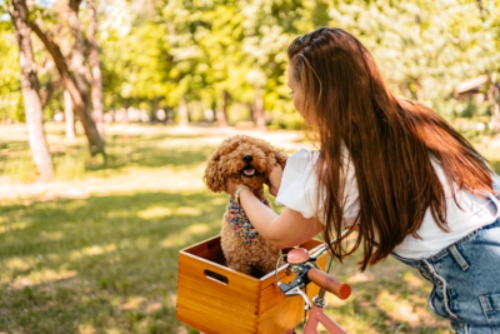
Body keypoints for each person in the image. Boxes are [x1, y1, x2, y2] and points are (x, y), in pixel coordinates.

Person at [225, 27, 500, 333]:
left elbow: (280, 235)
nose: (294, 100)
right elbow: (376, 201)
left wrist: (241, 193)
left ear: (318, 92)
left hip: (478, 270)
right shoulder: (408, 118)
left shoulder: (342, 161)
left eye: (293, 90)